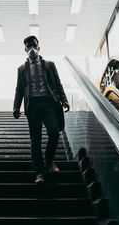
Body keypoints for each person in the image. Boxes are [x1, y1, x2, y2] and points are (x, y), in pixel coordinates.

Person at [13, 35, 70, 183]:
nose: (32, 49)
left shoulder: (50, 64)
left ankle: (49, 161)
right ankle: (39, 173)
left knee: (54, 132)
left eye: (34, 45)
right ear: (25, 49)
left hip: (49, 104)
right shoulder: (21, 69)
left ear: (39, 47)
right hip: (32, 107)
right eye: (28, 46)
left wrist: (64, 99)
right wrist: (16, 107)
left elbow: (58, 83)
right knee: (35, 140)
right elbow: (19, 89)